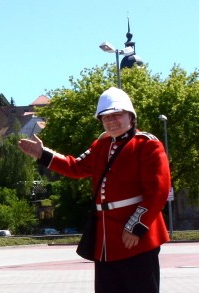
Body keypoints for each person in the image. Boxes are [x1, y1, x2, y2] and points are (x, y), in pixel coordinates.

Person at [18, 87, 170, 292]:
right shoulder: (101, 145)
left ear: (131, 117)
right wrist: (43, 154)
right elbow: (75, 167)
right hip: (106, 239)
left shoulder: (147, 145)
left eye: (117, 115)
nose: (111, 121)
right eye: (106, 117)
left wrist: (136, 226)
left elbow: (158, 191)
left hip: (136, 236)